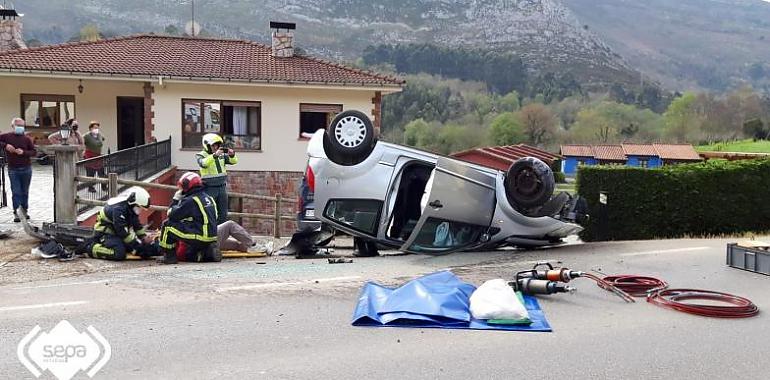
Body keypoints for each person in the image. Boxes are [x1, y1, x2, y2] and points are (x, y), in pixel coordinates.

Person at [158, 172, 220, 264]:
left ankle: (169, 257)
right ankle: (207, 253)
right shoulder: (209, 198)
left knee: (167, 225)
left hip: (200, 236)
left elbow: (172, 215)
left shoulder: (191, 200)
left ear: (188, 186)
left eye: (183, 186)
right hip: (212, 237)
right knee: (188, 254)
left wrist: (175, 200)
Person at [80, 187, 153, 261]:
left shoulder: (131, 208)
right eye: (140, 208)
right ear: (134, 203)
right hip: (104, 233)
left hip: (115, 233)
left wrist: (144, 238)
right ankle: (90, 248)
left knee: (134, 249)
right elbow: (122, 232)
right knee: (119, 253)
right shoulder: (118, 210)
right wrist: (138, 246)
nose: (140, 210)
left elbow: (137, 225)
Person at [0, 118, 37, 222]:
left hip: (26, 168)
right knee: (16, 191)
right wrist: (5, 145)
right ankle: (16, 211)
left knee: (25, 191)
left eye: (22, 125)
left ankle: (24, 210)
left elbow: (34, 152)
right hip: (13, 169)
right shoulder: (7, 136)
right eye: (18, 125)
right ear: (13, 126)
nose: (20, 127)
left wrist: (24, 152)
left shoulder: (26, 139)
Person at [196, 133, 237, 224]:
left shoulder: (221, 154)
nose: (216, 147)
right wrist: (214, 156)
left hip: (222, 187)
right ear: (207, 145)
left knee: (223, 213)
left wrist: (232, 155)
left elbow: (234, 161)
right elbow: (203, 163)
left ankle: (220, 233)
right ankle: (210, 233)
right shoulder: (201, 155)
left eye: (217, 145)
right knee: (209, 212)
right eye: (213, 145)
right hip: (209, 188)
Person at [83, 121, 107, 193]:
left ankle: (104, 186)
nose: (96, 129)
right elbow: (82, 141)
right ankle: (90, 187)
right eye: (95, 128)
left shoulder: (99, 135)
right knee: (90, 173)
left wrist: (99, 135)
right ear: (90, 128)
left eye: (97, 128)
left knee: (101, 172)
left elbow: (103, 138)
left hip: (98, 155)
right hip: (90, 155)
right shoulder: (87, 136)